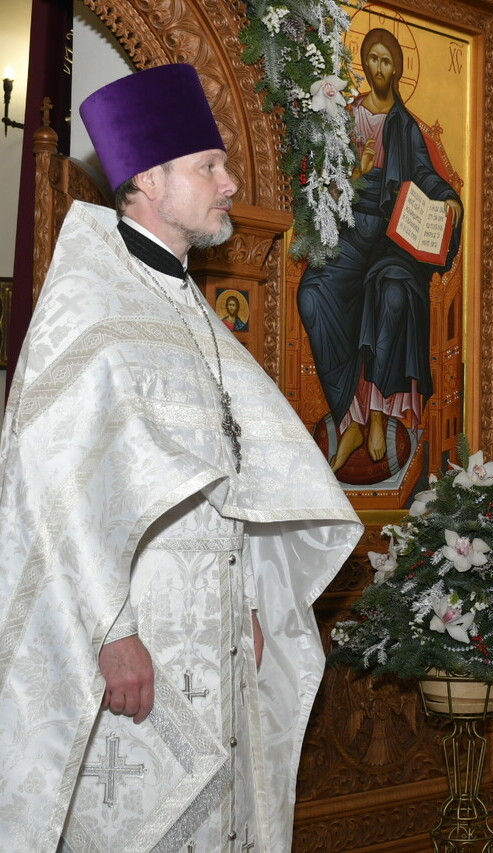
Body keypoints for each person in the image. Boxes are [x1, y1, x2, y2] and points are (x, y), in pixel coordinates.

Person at [0, 64, 362, 851]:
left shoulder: (186, 304)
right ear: (148, 180)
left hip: (215, 635)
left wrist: (253, 600)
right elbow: (51, 481)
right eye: (209, 166)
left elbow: (238, 475)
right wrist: (112, 630)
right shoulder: (92, 302)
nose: (230, 183)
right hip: (139, 639)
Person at [297, 28, 463, 474]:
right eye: (371, 59)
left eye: (386, 60)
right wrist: (356, 174)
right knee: (312, 295)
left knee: (391, 292)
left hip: (393, 237)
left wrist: (449, 201)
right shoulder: (346, 117)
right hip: (351, 232)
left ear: (398, 69)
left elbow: (426, 176)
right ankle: (347, 416)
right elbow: (324, 181)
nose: (378, 68)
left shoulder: (406, 127)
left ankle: (375, 415)